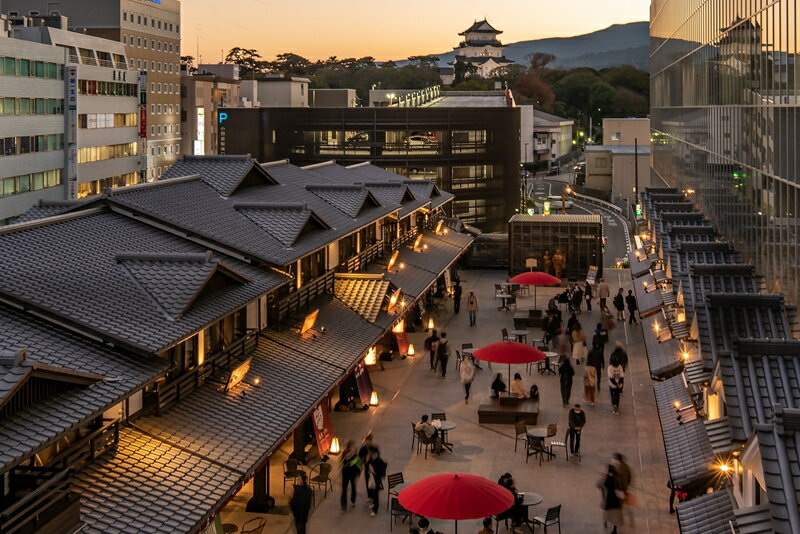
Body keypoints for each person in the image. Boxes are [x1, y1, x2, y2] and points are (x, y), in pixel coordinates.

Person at [598, 465, 624, 533]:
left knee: (607, 513)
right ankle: (614, 529)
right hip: (616, 501)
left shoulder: (608, 479)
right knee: (615, 516)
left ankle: (606, 522)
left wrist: (605, 476)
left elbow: (599, 484)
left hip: (609, 500)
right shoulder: (617, 478)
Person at [340, 440, 363, 511]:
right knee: (344, 489)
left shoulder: (356, 455)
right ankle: (344, 505)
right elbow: (345, 458)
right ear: (349, 447)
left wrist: (359, 473)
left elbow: (359, 464)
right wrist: (352, 453)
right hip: (346, 473)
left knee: (353, 487)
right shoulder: (345, 453)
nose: (353, 448)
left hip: (353, 473)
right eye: (352, 446)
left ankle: (353, 500)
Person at [614, 453, 634, 527]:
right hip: (624, 489)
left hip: (620, 490)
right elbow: (630, 477)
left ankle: (619, 520)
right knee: (621, 504)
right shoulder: (626, 467)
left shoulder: (618, 469)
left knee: (618, 506)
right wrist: (627, 485)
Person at [366, 446, 387, 517]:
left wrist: (374, 472)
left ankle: (375, 510)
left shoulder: (378, 460)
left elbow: (380, 471)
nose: (368, 453)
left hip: (376, 480)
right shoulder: (372, 458)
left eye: (369, 452)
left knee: (376, 494)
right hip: (372, 478)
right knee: (372, 492)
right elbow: (367, 466)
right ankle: (374, 504)